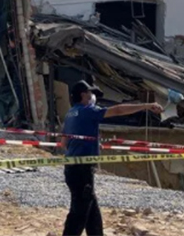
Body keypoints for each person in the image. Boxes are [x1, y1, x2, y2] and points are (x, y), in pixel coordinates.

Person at [61, 80, 163, 236]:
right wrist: (146, 106)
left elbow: (64, 143)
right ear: (83, 95)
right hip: (82, 169)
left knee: (92, 210)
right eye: (89, 92)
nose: (92, 96)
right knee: (79, 212)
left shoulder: (70, 114)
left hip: (72, 168)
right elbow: (119, 110)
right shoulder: (88, 111)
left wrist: (87, 143)